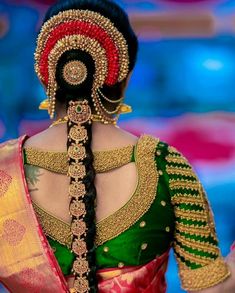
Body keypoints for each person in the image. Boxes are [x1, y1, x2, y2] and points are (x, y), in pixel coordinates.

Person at [0, 0, 234, 292]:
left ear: (44, 75)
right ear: (125, 76)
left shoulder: (4, 169)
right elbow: (211, 289)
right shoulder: (165, 166)